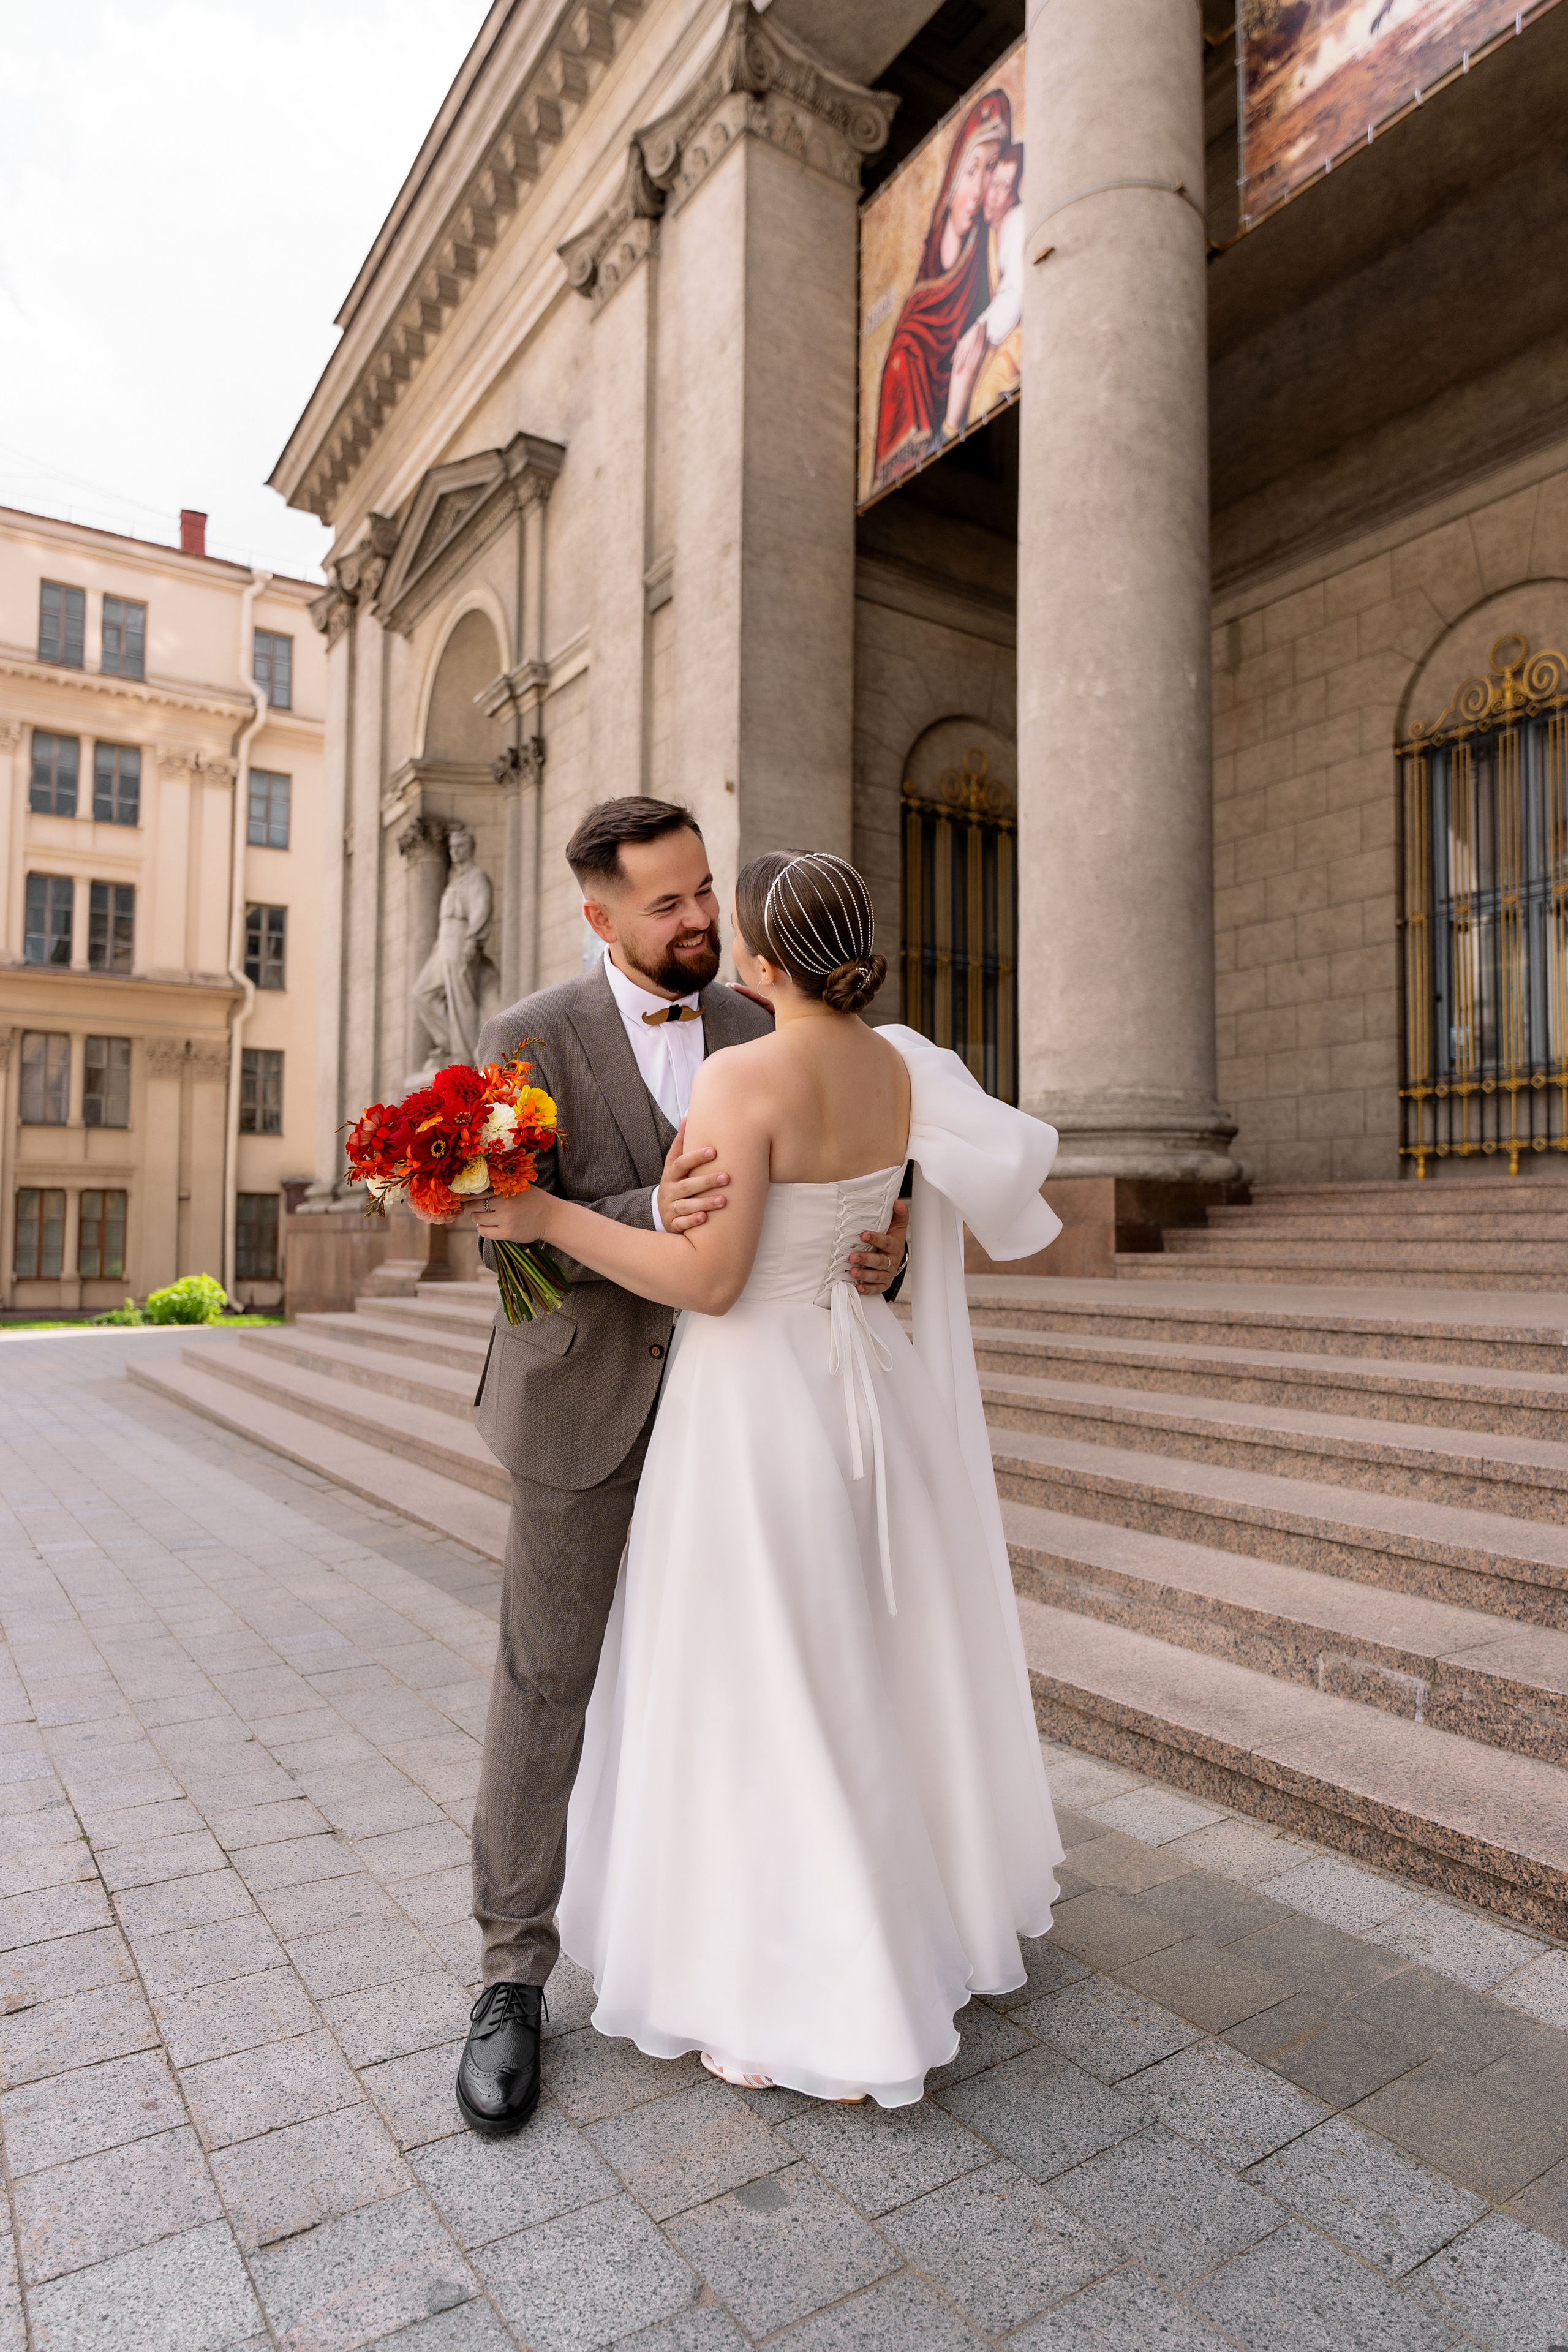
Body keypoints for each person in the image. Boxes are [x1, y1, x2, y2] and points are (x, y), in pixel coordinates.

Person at [473, 848, 1065, 2108]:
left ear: (754, 962)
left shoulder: (745, 1070)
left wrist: (547, 1222)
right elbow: (912, 1196)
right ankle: (899, 1935)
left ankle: (822, 1989)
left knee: (766, 1687)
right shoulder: (901, 1065)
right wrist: (885, 1239)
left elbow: (708, 1280)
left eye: (713, 910)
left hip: (752, 1408)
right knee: (854, 1677)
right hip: (863, 1394)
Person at [454, 804, 910, 2135]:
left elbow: (874, 1161)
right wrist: (641, 1212)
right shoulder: (520, 1039)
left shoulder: (769, 1022)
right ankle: (509, 1975)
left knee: (732, 1683)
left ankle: (731, 1942)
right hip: (580, 1405)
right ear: (597, 918)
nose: (699, 920)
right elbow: (501, 1235)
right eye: (664, 905)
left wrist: (889, 1240)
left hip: (745, 1415)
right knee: (546, 1682)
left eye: (704, 890)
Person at [871, 87, 1012, 494]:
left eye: (992, 168)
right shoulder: (927, 257)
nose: (983, 185)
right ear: (952, 177)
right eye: (973, 170)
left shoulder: (986, 250)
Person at [945, 140, 1025, 439]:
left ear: (1016, 194)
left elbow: (1015, 292)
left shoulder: (1018, 222)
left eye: (1004, 187)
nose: (992, 196)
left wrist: (980, 326)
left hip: (1015, 340)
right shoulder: (991, 229)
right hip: (998, 333)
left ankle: (950, 432)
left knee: (988, 390)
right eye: (993, 183)